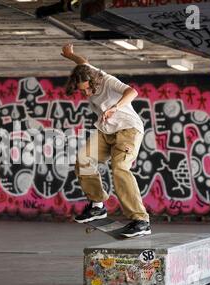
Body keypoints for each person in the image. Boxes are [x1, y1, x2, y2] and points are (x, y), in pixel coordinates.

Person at [61, 43, 150, 238]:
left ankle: (141, 220)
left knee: (119, 168)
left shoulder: (108, 80)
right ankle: (97, 205)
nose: (86, 94)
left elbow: (132, 92)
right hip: (106, 130)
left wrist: (115, 108)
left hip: (128, 129)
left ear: (94, 82)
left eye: (87, 90)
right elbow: (83, 63)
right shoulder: (87, 72)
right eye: (81, 91)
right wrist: (71, 55)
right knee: (83, 159)